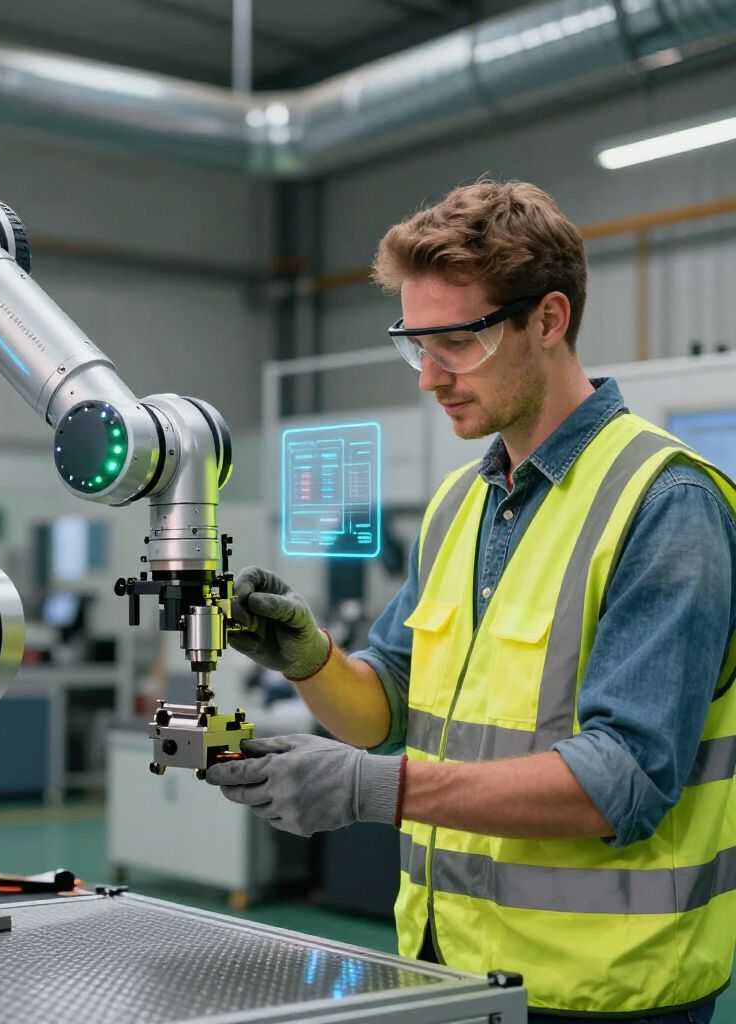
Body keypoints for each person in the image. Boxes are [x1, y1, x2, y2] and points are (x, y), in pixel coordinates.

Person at [207, 180, 736, 1023]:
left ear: (549, 319)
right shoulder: (461, 504)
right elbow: (387, 711)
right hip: (446, 967)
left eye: (457, 341)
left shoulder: (666, 503)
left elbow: (623, 781)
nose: (430, 377)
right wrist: (309, 658)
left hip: (604, 991)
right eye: (415, 345)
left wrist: (373, 790)